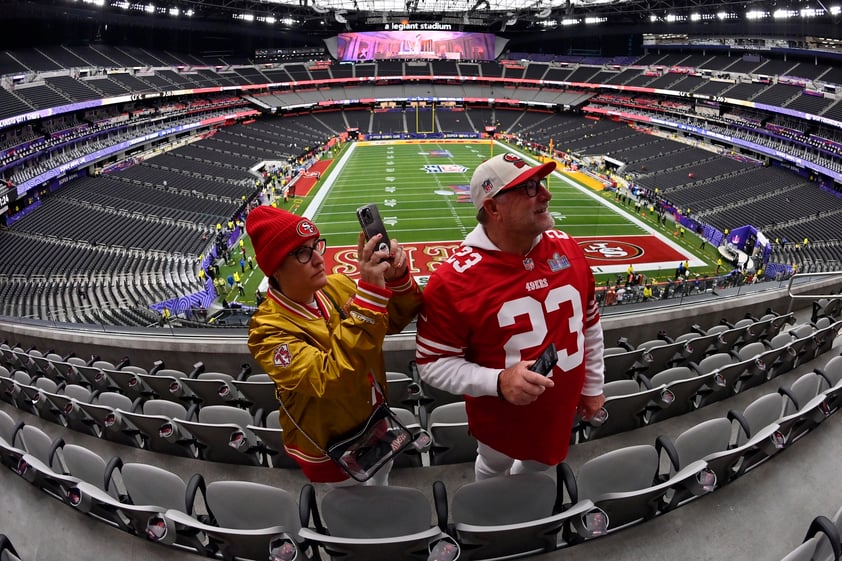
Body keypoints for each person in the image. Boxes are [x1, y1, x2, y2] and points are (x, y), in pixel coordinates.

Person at [415, 153, 606, 481]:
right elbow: (432, 363)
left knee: (538, 466)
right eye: (529, 188)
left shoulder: (568, 248)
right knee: (492, 466)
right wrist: (498, 382)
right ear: (492, 208)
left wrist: (593, 385)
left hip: (560, 410)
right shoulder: (454, 280)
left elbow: (589, 323)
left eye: (541, 184)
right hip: (500, 418)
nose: (546, 195)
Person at [246, 206, 422, 485]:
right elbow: (332, 378)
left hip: (375, 421)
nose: (319, 259)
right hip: (332, 450)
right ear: (275, 268)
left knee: (383, 483)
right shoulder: (267, 332)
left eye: (316, 246)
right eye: (302, 253)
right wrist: (369, 298)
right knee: (352, 514)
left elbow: (394, 320)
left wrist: (396, 280)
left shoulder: (335, 286)